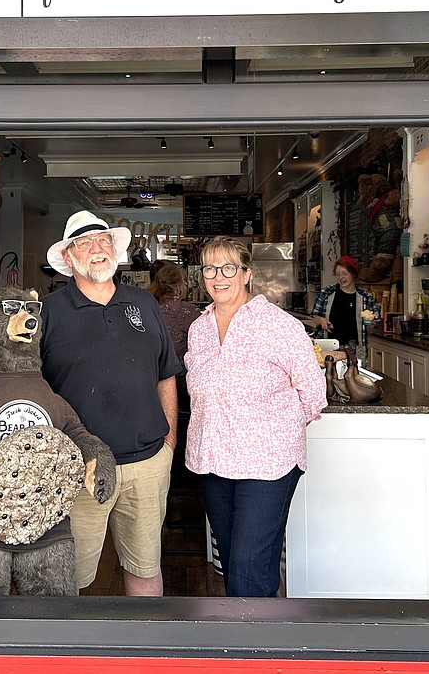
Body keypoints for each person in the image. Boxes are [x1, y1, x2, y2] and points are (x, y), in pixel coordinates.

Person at [39, 210, 182, 596]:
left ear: (115, 251)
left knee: (145, 567)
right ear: (69, 258)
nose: (96, 250)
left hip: (148, 462)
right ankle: (76, 657)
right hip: (77, 468)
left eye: (103, 241)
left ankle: (147, 654)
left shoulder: (144, 304)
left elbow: (165, 374)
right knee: (71, 577)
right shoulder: (48, 312)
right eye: (84, 244)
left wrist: (168, 442)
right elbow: (33, 388)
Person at [183, 237, 326, 597]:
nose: (218, 277)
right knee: (233, 562)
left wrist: (272, 430)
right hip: (212, 461)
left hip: (267, 465)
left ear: (246, 273)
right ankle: (250, 641)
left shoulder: (278, 326)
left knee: (249, 569)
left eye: (228, 267)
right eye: (210, 268)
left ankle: (256, 650)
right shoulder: (198, 329)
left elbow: (313, 392)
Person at [148, 263, 201, 412]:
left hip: (151, 380)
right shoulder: (190, 312)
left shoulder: (146, 307)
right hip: (182, 383)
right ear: (179, 286)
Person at [310, 256, 381, 351]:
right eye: (337, 274)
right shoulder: (326, 293)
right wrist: (321, 321)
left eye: (344, 274)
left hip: (356, 348)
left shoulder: (365, 297)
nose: (341, 277)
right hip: (329, 347)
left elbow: (375, 321)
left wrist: (371, 326)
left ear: (353, 274)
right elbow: (314, 316)